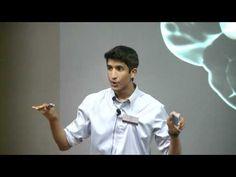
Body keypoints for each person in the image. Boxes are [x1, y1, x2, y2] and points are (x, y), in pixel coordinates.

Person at [32, 45, 185, 155]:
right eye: (109, 68)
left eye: (119, 68)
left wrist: (174, 136)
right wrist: (53, 119)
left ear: (133, 73)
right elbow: (64, 144)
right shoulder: (93, 102)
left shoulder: (153, 108)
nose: (113, 75)